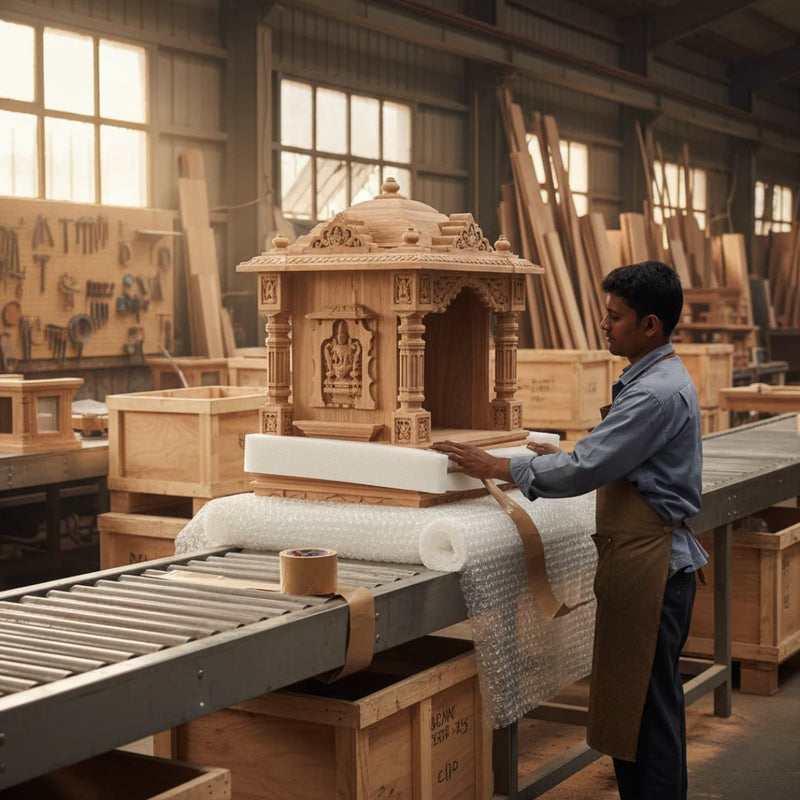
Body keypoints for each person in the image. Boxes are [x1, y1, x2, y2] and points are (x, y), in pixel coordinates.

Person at [432, 260, 707, 800]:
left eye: (615, 317)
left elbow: (587, 470)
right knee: (652, 709)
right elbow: (615, 459)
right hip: (651, 563)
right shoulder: (653, 379)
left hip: (652, 570)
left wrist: (499, 467)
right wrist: (562, 457)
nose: (605, 326)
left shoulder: (653, 394)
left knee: (643, 718)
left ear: (650, 325)